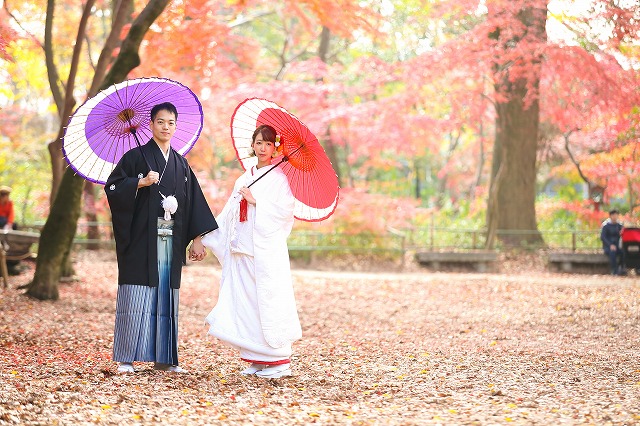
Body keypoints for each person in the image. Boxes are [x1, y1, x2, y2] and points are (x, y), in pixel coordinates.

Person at [105, 102, 218, 374]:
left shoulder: (180, 163)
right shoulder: (135, 157)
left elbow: (193, 203)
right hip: (141, 237)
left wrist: (198, 238)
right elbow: (112, 186)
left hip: (169, 237)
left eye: (170, 123)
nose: (166, 127)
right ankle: (126, 358)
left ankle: (164, 359)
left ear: (175, 126)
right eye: (160, 122)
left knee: (166, 295)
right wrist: (139, 183)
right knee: (136, 293)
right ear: (151, 124)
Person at [202, 124, 301, 379]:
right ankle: (256, 358)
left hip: (264, 252)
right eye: (259, 142)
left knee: (267, 302)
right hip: (242, 249)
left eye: (269, 144)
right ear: (253, 145)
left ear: (275, 147)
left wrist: (258, 201)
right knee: (247, 305)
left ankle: (278, 361)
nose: (263, 148)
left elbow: (285, 212)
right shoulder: (244, 177)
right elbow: (228, 213)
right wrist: (204, 236)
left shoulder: (279, 179)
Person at [601, 209, 625, 275]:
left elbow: (622, 235)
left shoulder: (619, 225)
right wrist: (610, 245)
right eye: (613, 215)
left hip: (617, 245)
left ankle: (622, 268)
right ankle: (614, 270)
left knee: (623, 252)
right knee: (612, 252)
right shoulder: (606, 225)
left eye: (616, 215)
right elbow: (603, 237)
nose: (615, 217)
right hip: (608, 246)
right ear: (610, 216)